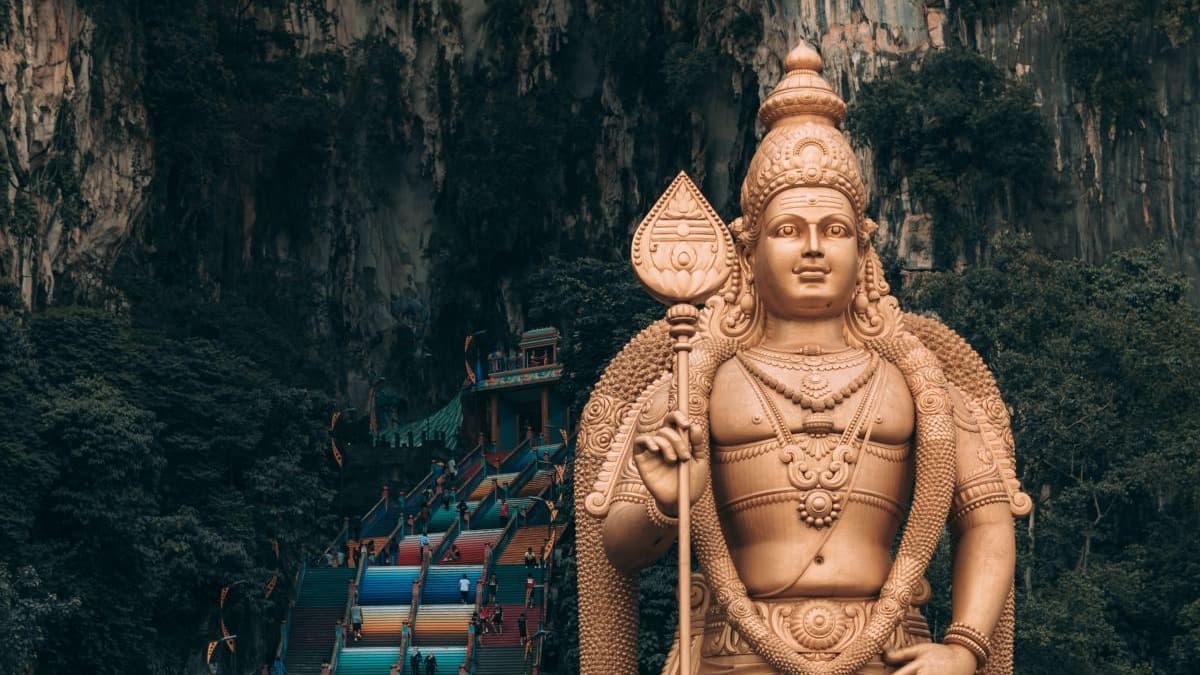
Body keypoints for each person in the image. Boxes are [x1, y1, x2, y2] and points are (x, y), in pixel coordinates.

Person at [573, 43, 1028, 675]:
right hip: (735, 655)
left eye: (834, 230)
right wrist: (666, 502)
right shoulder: (694, 379)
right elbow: (616, 547)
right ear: (748, 248)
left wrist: (964, 645)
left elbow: (986, 515)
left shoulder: (916, 378)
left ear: (863, 247)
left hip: (890, 654)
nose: (813, 248)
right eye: (788, 230)